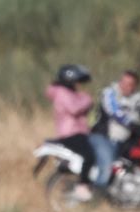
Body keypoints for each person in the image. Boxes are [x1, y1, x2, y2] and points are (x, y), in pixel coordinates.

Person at [45, 64, 107, 201]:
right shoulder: (62, 93)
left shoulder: (68, 93)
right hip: (71, 134)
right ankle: (82, 186)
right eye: (77, 81)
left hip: (78, 132)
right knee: (89, 156)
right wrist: (87, 99)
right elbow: (74, 108)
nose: (79, 85)